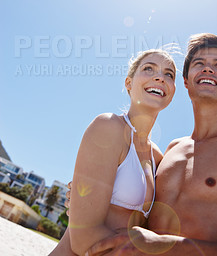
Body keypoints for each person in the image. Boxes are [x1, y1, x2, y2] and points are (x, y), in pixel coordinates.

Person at [88, 33, 217, 256]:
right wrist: (88, 199)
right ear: (186, 83)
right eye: (199, 63)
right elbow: (136, 214)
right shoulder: (170, 152)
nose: (208, 69)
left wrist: (171, 248)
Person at [49, 48, 176, 256]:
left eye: (168, 74)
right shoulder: (108, 127)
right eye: (149, 68)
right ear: (129, 83)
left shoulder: (159, 159)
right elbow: (83, 238)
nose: (160, 77)